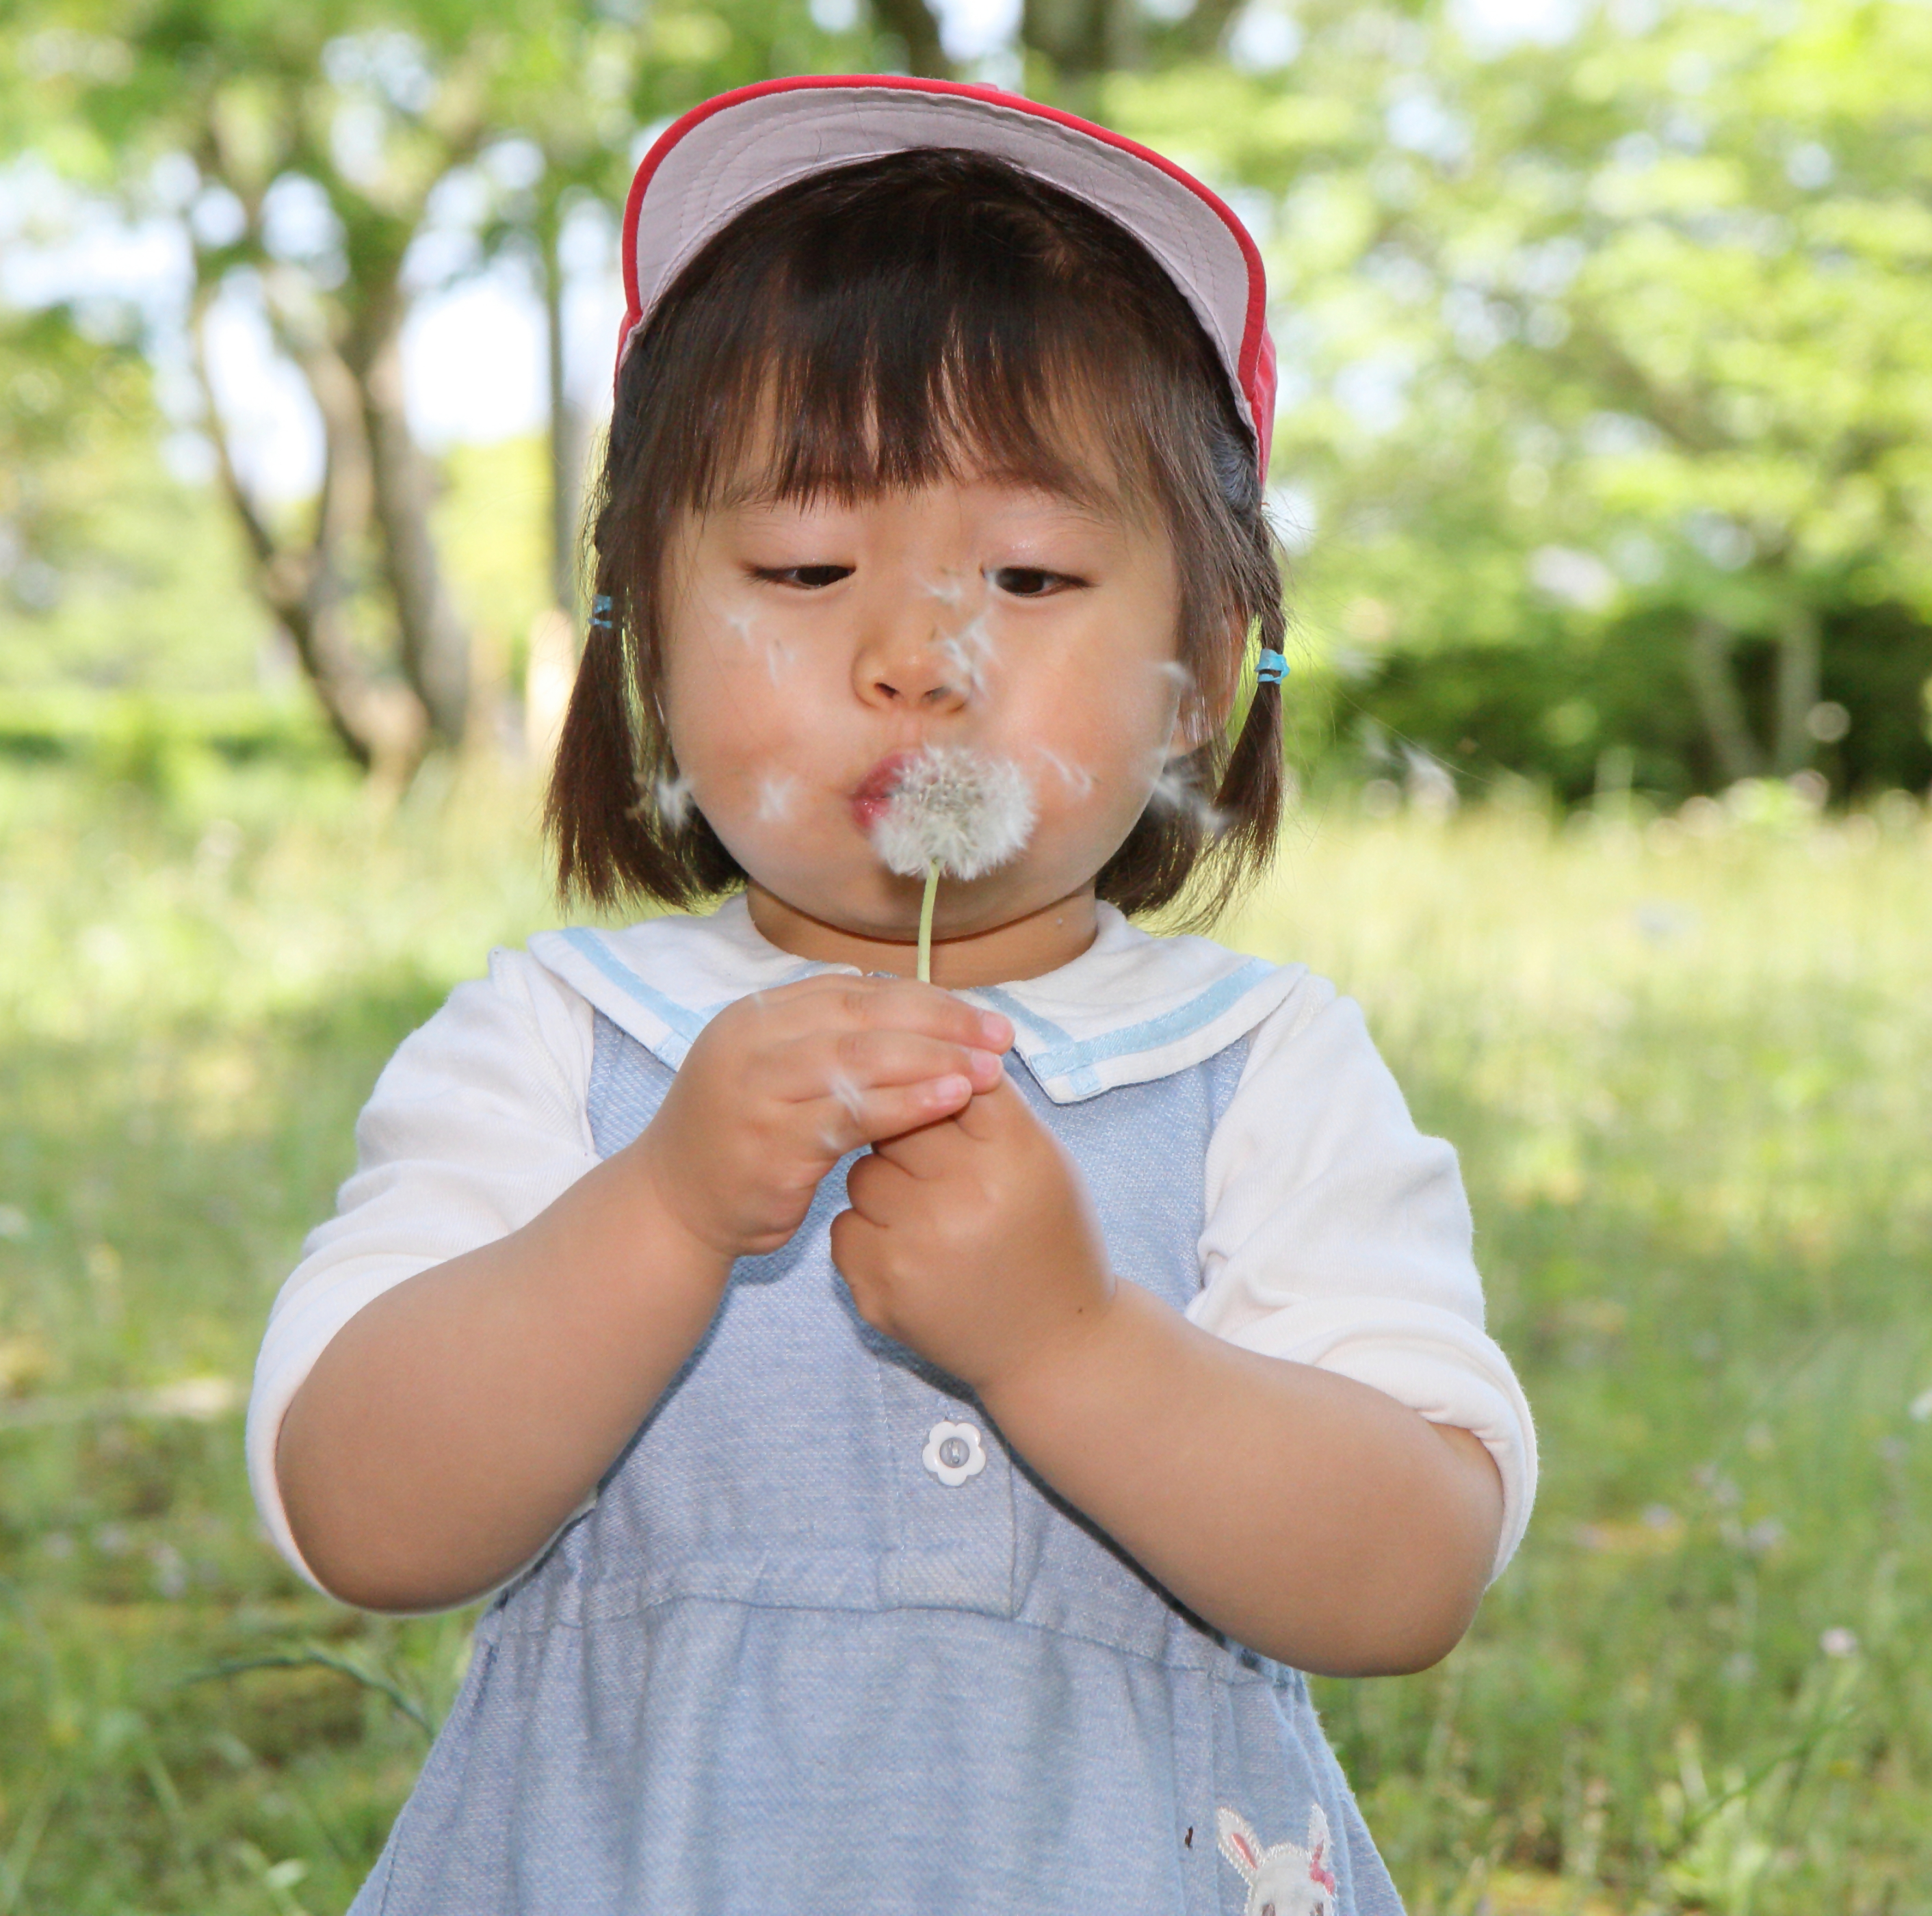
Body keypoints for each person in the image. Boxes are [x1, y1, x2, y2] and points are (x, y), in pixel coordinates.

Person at [245, 75, 1537, 1915]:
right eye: (801, 565)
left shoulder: (1262, 1070)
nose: (916, 655)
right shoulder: (563, 1041)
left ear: (1200, 672)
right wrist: (664, 1208)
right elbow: (365, 1514)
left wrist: (1071, 1342)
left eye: (1030, 573)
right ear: (642, 637)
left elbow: (1409, 1572)